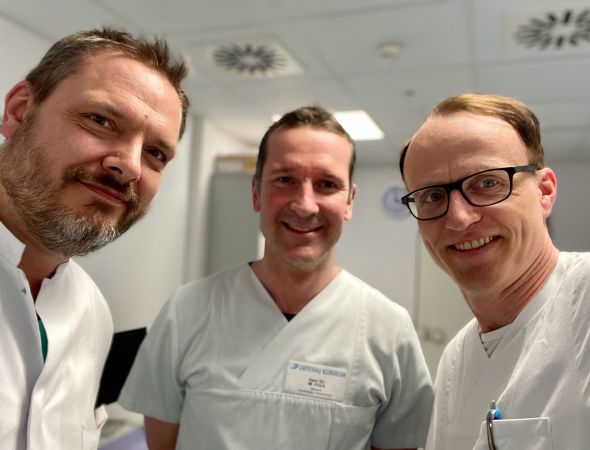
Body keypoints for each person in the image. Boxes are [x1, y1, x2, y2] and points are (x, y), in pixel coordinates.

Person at [119, 105, 434, 450]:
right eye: (285, 180)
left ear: (349, 201)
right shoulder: (186, 312)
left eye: (327, 184)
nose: (305, 205)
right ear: (256, 193)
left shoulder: (389, 331)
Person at [0, 27, 189, 449]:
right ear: (20, 111)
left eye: (155, 154)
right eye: (101, 121)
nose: (131, 166)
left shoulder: (91, 313)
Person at [399, 93, 590, 450]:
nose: (459, 219)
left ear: (544, 191)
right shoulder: (456, 360)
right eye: (433, 197)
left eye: (487, 183)